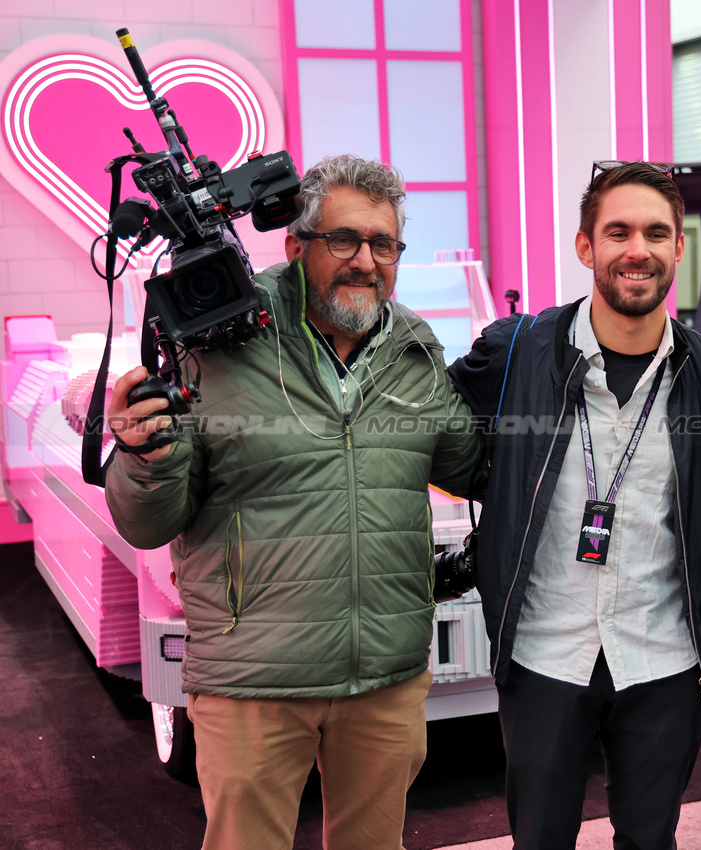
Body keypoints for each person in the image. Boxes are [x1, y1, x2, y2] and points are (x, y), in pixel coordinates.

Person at [104, 155, 484, 850]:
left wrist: (531, 373)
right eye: (343, 239)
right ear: (295, 244)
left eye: (383, 244)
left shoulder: (413, 349)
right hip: (253, 679)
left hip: (385, 675)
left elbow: (466, 464)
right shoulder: (214, 342)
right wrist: (144, 455)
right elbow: (146, 522)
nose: (365, 261)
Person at [447, 160, 701, 850]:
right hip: (543, 655)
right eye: (617, 232)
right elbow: (424, 431)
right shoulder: (517, 352)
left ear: (678, 248)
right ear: (584, 247)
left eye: (656, 233)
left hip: (663, 659)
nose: (637, 250)